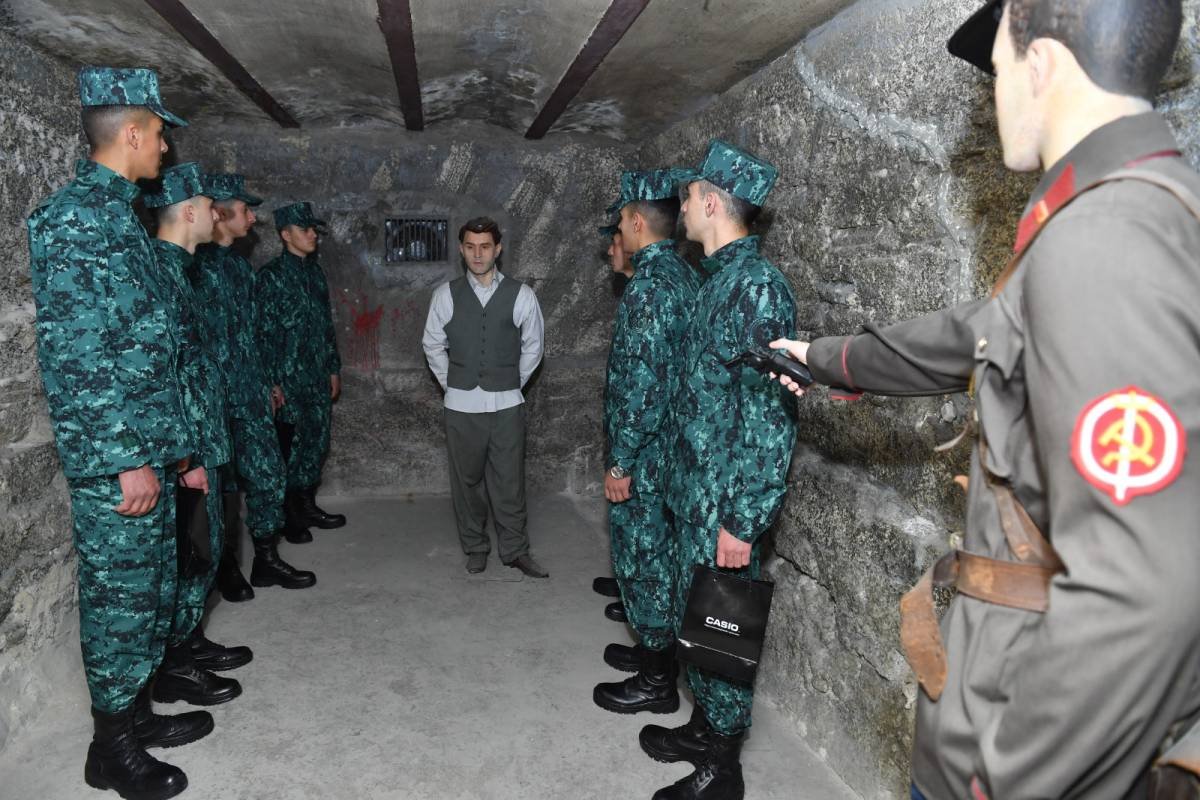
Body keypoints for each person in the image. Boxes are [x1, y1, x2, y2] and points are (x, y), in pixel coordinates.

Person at [771, 2, 1200, 797]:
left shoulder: (1106, 240)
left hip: (1019, 734)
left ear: (1042, 64)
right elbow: (975, 335)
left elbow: (1144, 590)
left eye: (997, 69)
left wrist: (1005, 779)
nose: (993, 94)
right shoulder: (1130, 211)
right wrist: (829, 360)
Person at [28, 65, 200, 800]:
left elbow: (144, 347)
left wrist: (171, 447)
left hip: (149, 447)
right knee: (119, 602)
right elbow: (77, 353)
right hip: (119, 458)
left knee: (150, 591)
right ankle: (110, 750)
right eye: (158, 133)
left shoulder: (119, 218)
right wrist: (126, 457)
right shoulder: (72, 219)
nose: (163, 147)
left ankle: (136, 716)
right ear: (131, 132)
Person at [640, 142, 798, 800]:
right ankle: (704, 728)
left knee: (721, 630)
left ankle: (722, 769)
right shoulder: (718, 280)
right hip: (695, 494)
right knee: (696, 622)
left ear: (711, 203)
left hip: (722, 505)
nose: (679, 209)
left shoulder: (757, 289)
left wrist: (743, 520)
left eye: (687, 197)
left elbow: (770, 418)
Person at [593, 169, 700, 716]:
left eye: (620, 219)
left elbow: (644, 385)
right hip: (668, 449)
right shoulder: (681, 274)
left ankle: (657, 682)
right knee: (659, 557)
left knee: (645, 560)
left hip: (648, 457)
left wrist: (621, 462)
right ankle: (652, 653)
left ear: (637, 221)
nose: (618, 229)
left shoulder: (651, 286)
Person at [145, 162, 249, 708]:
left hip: (203, 439)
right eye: (210, 206)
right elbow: (164, 376)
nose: (218, 213)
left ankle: (188, 641)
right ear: (189, 212)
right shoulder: (160, 275)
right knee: (190, 552)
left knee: (202, 550)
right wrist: (187, 458)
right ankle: (176, 665)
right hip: (189, 449)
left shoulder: (183, 271)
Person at [192, 176, 316, 600]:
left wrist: (269, 382)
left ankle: (266, 558)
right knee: (221, 490)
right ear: (220, 212)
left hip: (251, 394)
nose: (251, 217)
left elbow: (254, 335)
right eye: (245, 210)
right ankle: (224, 566)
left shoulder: (240, 268)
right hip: (214, 400)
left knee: (269, 474)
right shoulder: (195, 267)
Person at [421, 217, 548, 578]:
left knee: (510, 481)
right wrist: (451, 383)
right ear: (461, 250)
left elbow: (534, 346)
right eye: (471, 247)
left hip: (506, 405)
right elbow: (432, 343)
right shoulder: (445, 295)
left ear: (498, 249)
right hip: (461, 406)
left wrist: (511, 381)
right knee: (466, 483)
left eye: (485, 246)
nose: (478, 254)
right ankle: (475, 547)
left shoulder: (521, 295)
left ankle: (515, 550)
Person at [255, 202, 346, 537]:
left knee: (315, 443)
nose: (312, 235)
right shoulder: (271, 277)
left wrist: (333, 368)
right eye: (304, 229)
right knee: (289, 450)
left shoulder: (315, 274)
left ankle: (306, 505)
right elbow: (263, 335)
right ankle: (288, 513)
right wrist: (272, 382)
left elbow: (325, 327)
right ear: (285, 234)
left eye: (314, 230)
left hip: (316, 377)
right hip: (288, 381)